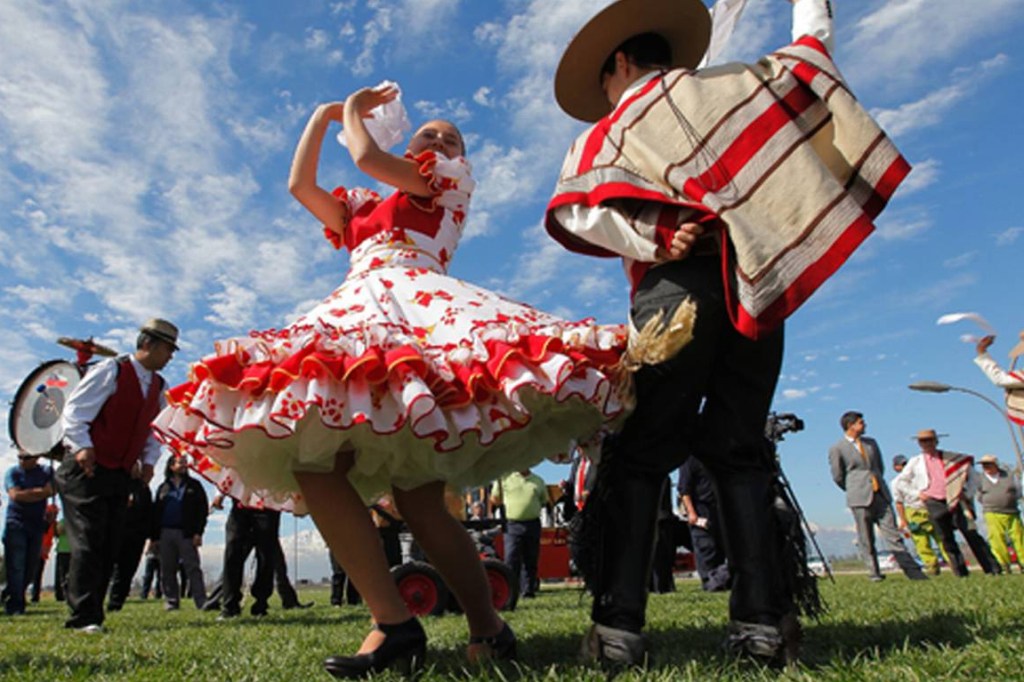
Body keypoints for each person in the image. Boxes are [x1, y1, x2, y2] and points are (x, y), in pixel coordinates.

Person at [151, 83, 629, 678]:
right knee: (318, 465)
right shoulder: (364, 205)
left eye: (449, 136)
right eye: (428, 133)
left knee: (421, 503)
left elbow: (368, 158)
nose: (438, 140)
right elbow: (300, 187)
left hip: (420, 308)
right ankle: (395, 622)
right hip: (359, 310)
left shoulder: (445, 180)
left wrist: (351, 108)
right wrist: (323, 115)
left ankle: (486, 625)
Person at [544, 0, 903, 665]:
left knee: (642, 449)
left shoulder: (615, 127)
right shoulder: (735, 84)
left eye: (604, 83)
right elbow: (812, 50)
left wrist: (653, 234)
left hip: (674, 296)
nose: (606, 97)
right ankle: (763, 626)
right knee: (740, 447)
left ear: (620, 62)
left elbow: (579, 211)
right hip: (754, 283)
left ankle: (619, 630)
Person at [58, 318, 177, 632]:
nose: (171, 356)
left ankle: (93, 611)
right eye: (168, 348)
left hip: (120, 473)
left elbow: (154, 431)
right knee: (88, 538)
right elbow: (75, 412)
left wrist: (149, 461)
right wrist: (82, 447)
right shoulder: (111, 371)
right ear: (148, 344)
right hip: (86, 468)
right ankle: (83, 617)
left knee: (111, 542)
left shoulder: (159, 388)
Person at [828, 412, 926, 582]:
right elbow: (838, 475)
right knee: (866, 537)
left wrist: (876, 483)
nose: (864, 424)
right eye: (860, 422)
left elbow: (879, 467)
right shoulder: (837, 448)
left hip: (880, 493)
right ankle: (874, 573)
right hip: (859, 497)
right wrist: (853, 488)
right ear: (850, 425)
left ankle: (913, 572)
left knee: (893, 534)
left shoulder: (871, 443)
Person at [893, 429, 999, 577]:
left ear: (936, 441)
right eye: (923, 441)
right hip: (933, 502)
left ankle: (992, 569)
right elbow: (900, 482)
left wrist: (966, 493)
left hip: (956, 500)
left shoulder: (952, 458)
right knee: (946, 538)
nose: (927, 444)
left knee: (971, 533)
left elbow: (975, 477)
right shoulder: (915, 462)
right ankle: (960, 573)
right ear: (919, 444)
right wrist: (918, 494)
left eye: (929, 440)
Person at [152, 454, 208, 610]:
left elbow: (201, 510)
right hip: (165, 533)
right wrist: (154, 537)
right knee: (167, 569)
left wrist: (198, 533)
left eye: (185, 462)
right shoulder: (163, 487)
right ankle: (171, 601)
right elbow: (156, 512)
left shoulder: (194, 486)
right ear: (171, 466)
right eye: (180, 462)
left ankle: (201, 601)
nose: (184, 465)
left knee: (193, 568)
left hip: (187, 534)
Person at [3, 451, 55, 615]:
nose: (22, 461)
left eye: (26, 457)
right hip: (16, 524)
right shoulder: (13, 472)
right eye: (20, 457)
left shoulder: (47, 471)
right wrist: (42, 492)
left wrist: (31, 494)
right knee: (16, 565)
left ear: (36, 457)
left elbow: (53, 490)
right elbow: (15, 496)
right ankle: (16, 605)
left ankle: (8, 594)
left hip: (37, 525)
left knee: (30, 568)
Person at [492, 469, 549, 599]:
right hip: (512, 524)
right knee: (511, 558)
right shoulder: (504, 478)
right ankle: (511, 590)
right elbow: (494, 499)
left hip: (533, 524)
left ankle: (528, 590)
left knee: (531, 558)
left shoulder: (538, 481)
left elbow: (543, 500)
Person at [677, 457, 729, 592]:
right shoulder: (690, 460)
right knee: (707, 549)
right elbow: (684, 491)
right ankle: (710, 584)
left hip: (720, 509)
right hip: (701, 509)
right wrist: (692, 515)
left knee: (721, 548)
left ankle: (720, 582)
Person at [891, 454, 947, 575]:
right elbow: (899, 502)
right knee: (921, 541)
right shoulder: (896, 483)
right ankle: (932, 567)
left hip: (929, 508)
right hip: (913, 511)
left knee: (941, 537)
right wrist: (903, 520)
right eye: (902, 465)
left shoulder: (920, 477)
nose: (905, 467)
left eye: (906, 464)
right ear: (896, 467)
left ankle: (952, 562)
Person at [107, 473, 155, 611]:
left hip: (136, 535)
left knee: (127, 570)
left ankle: (116, 603)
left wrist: (150, 536)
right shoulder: (114, 482)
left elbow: (148, 512)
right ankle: (95, 600)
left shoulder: (143, 488)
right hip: (115, 531)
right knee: (107, 568)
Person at [977, 454, 1024, 574]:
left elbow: (1018, 491)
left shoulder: (1010, 476)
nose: (986, 467)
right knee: (996, 539)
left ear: (995, 464)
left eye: (988, 464)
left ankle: (1023, 563)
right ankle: (1004, 564)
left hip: (1012, 512)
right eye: (983, 465)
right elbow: (979, 496)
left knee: (1019, 538)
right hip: (992, 512)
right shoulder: (980, 479)